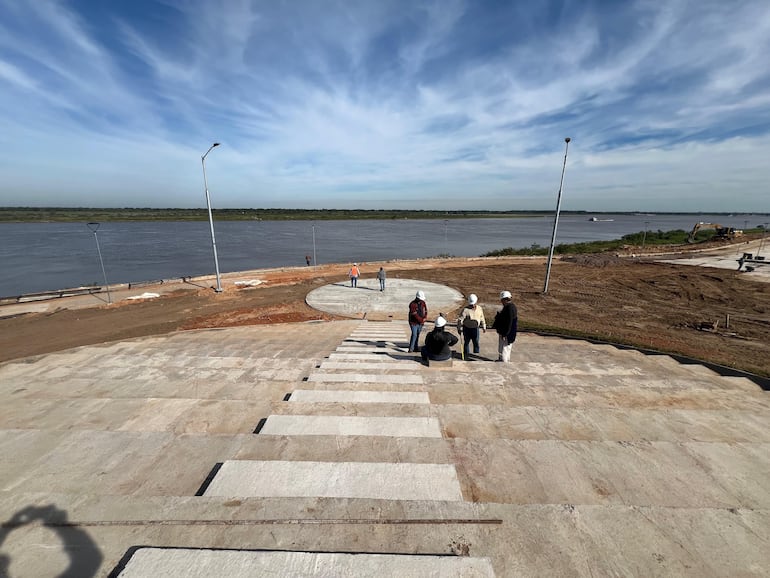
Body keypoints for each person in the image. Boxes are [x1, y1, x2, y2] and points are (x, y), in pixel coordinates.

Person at [457, 293, 486, 358]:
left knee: (476, 341)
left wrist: (484, 326)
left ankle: (476, 353)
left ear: (476, 302)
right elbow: (460, 320)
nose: (472, 305)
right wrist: (459, 328)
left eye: (473, 304)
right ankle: (466, 354)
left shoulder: (479, 309)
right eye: (471, 304)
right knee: (466, 342)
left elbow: (482, 317)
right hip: (467, 329)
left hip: (475, 329)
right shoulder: (465, 310)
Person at [492, 290, 518, 362]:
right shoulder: (509, 307)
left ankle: (503, 363)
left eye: (502, 300)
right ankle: (502, 359)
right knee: (503, 349)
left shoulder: (510, 308)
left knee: (505, 349)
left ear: (505, 300)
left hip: (507, 334)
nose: (501, 302)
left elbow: (509, 323)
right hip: (506, 333)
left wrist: (505, 334)